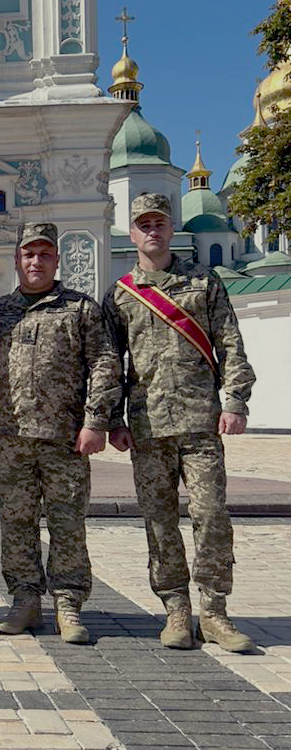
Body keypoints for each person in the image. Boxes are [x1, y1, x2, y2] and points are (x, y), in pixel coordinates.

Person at [103, 193, 256, 652]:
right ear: (132, 233)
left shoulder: (204, 283)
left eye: (160, 223)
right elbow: (110, 362)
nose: (152, 230)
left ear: (172, 229)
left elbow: (230, 343)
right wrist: (113, 418)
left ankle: (214, 613)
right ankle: (175, 610)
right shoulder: (121, 294)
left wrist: (236, 401)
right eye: (144, 223)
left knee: (211, 516)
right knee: (159, 522)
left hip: (200, 423)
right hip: (148, 426)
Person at [0, 222, 121, 643]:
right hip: (12, 441)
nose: (36, 261)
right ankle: (25, 600)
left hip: (65, 440)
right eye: (28, 254)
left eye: (44, 254)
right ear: (17, 260)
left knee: (68, 523)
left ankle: (68, 604)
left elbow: (105, 365)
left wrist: (95, 421)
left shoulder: (80, 309)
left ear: (57, 260)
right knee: (16, 523)